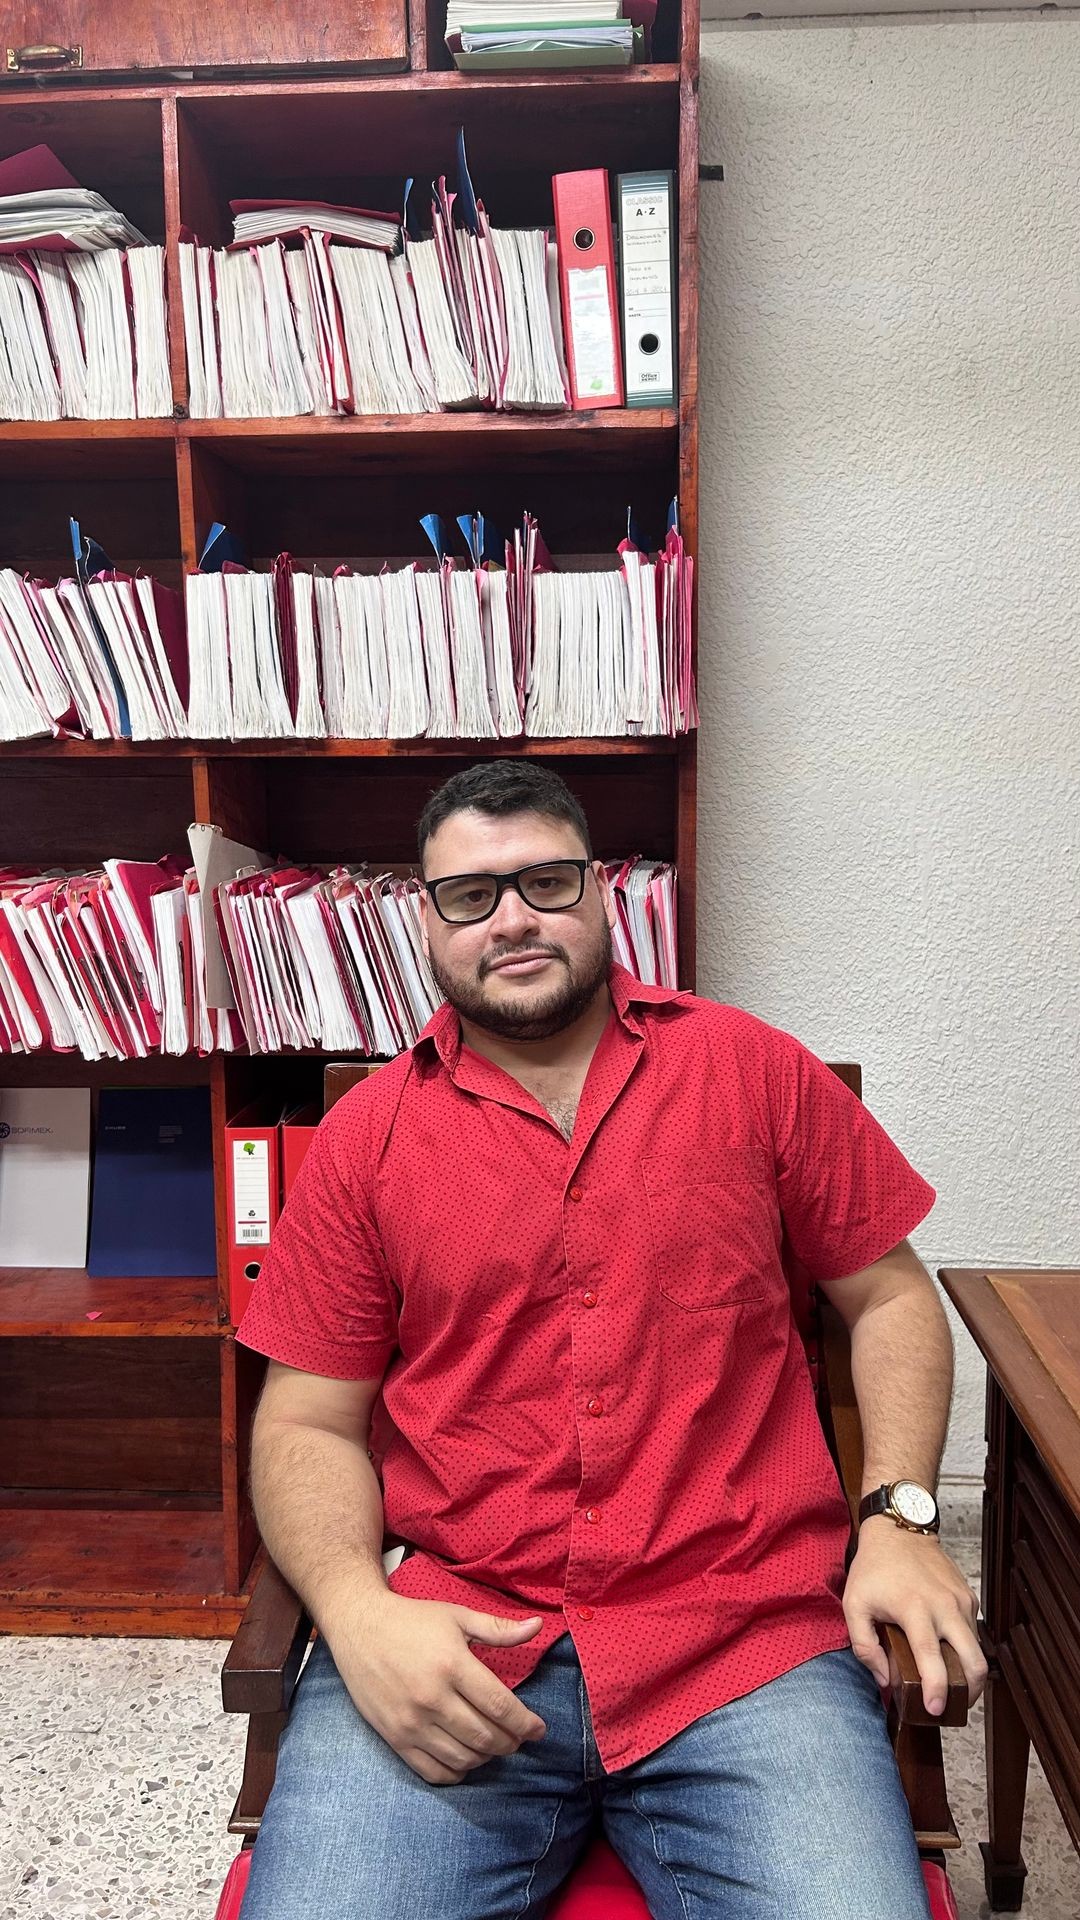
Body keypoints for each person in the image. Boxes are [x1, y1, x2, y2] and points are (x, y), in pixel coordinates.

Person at [236, 759, 985, 1920]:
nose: (515, 919)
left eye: (547, 880)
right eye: (470, 896)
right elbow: (304, 1418)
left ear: (604, 894)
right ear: (426, 923)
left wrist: (899, 1520)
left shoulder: (752, 1071)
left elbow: (888, 1297)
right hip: (462, 1635)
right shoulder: (364, 1141)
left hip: (747, 1642)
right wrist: (353, 1608)